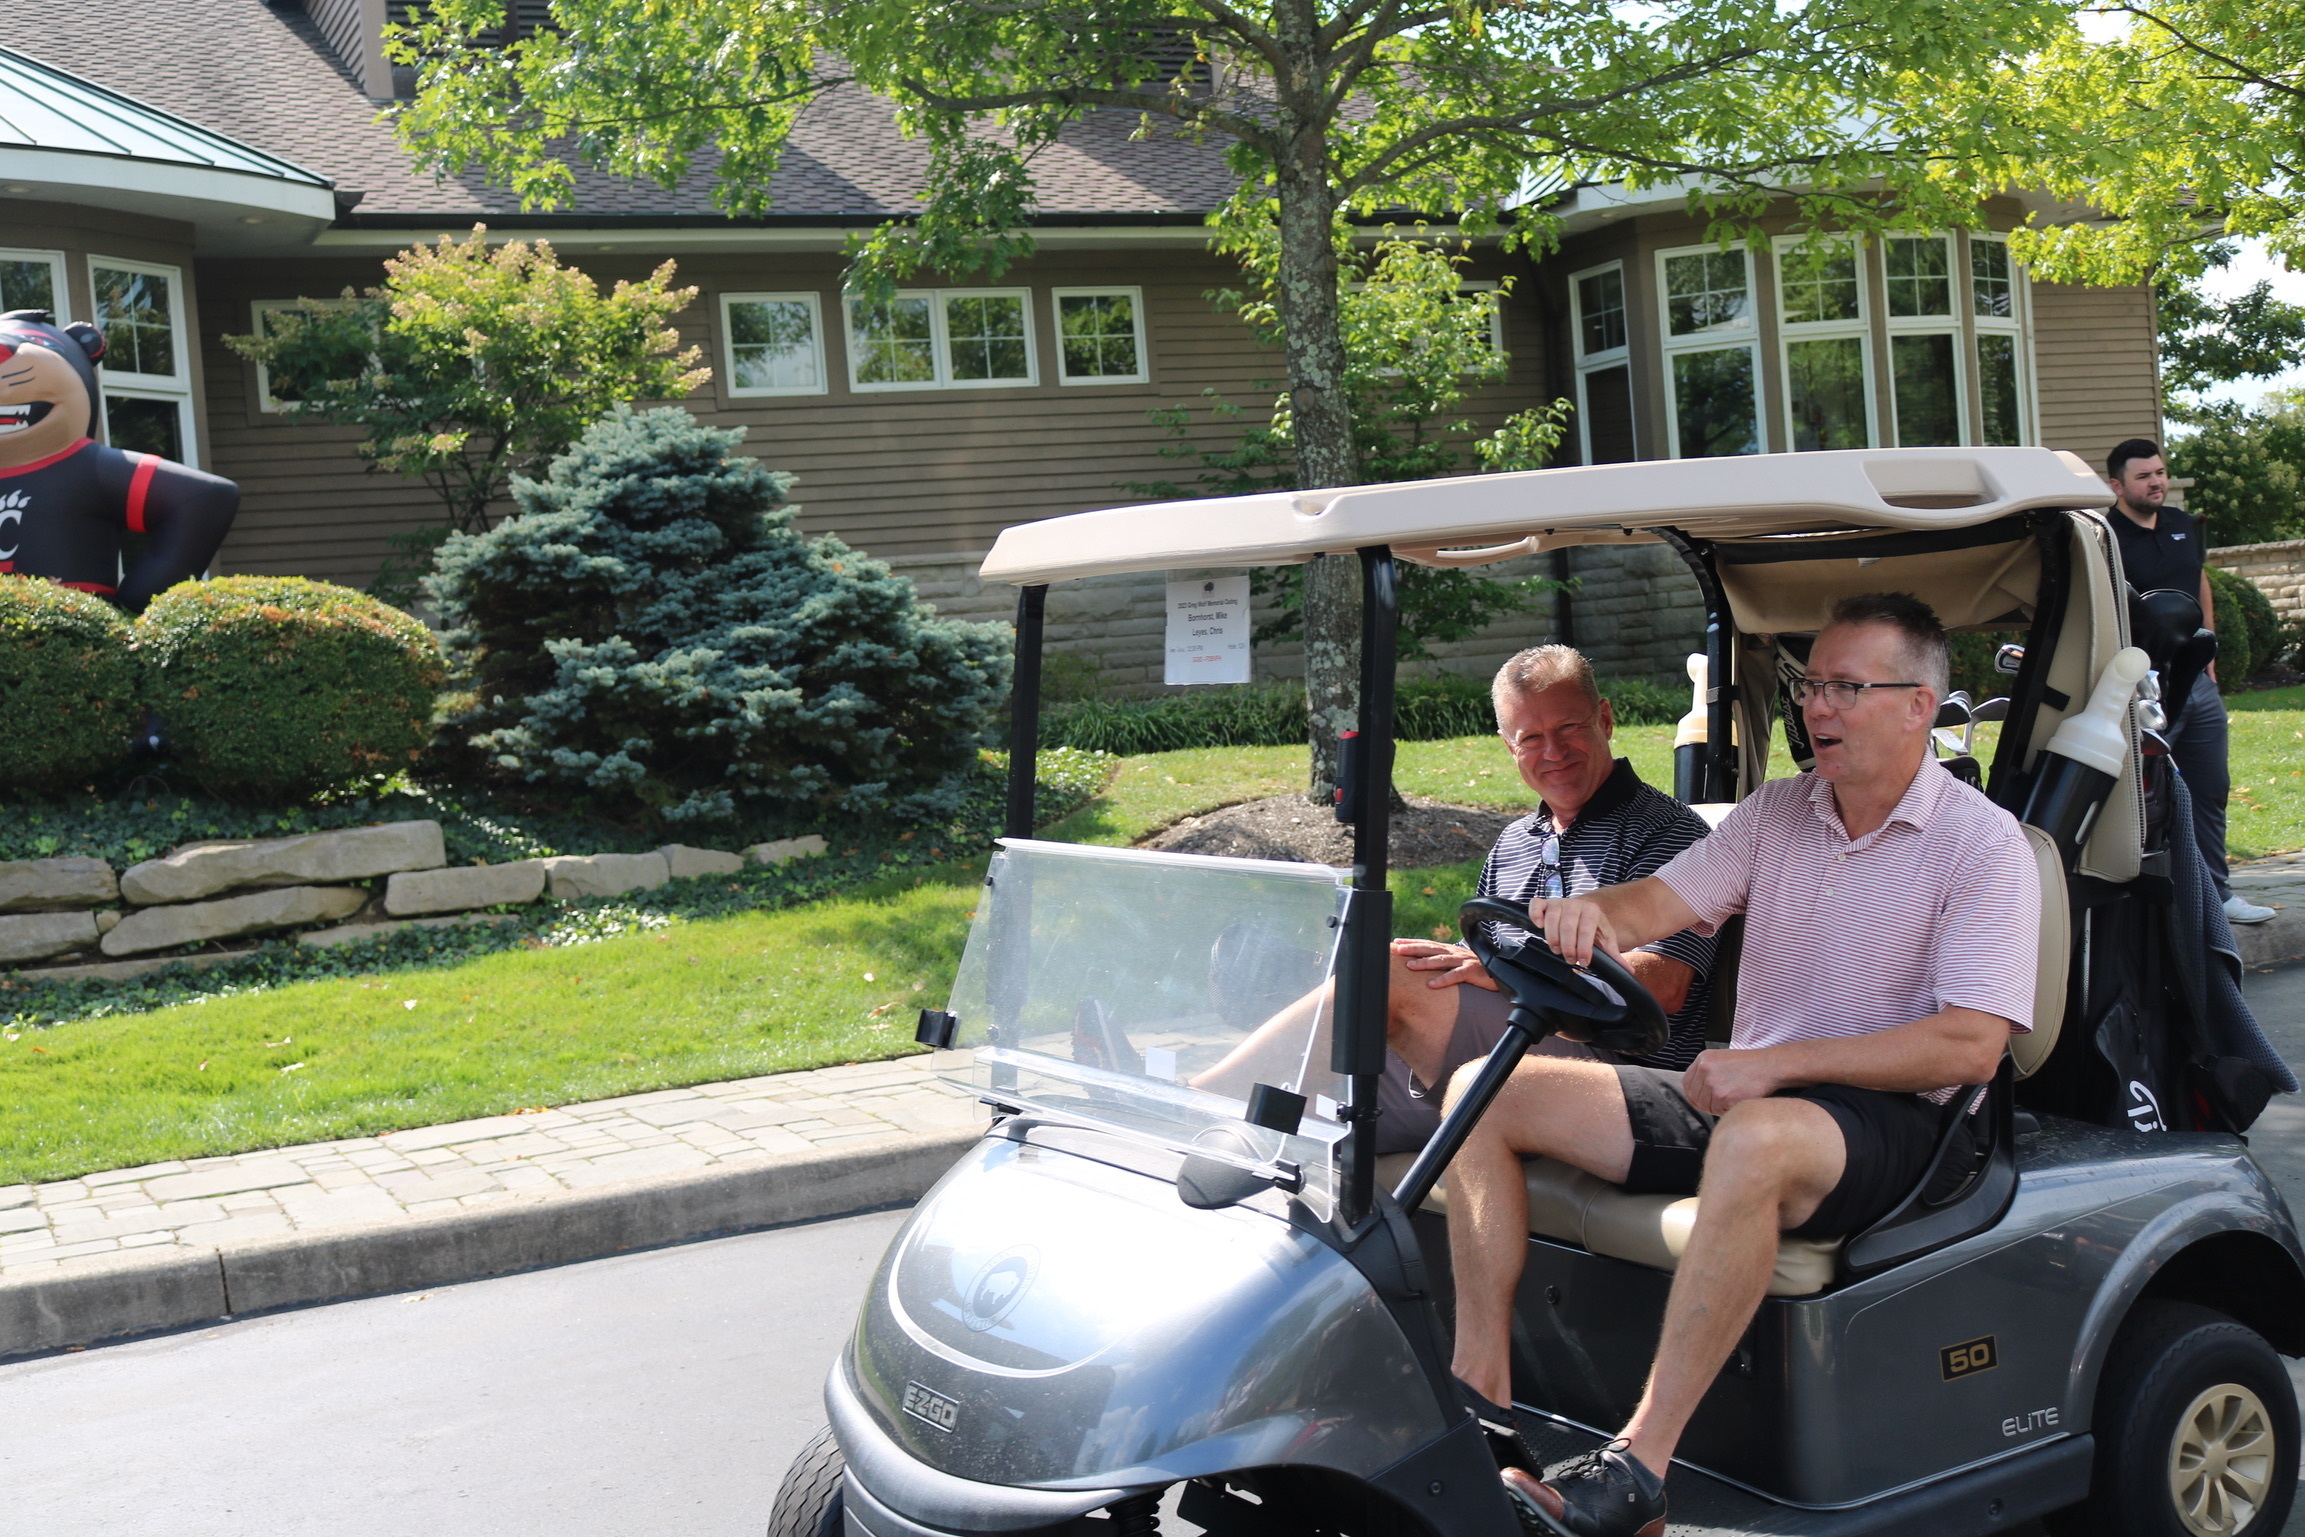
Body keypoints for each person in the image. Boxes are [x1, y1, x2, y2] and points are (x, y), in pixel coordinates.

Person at [1445, 594, 2037, 1537]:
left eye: (1847, 688)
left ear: (1919, 705)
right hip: (1757, 1101)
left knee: (1755, 1134)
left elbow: (1970, 1043)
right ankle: (1481, 1400)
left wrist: (1769, 1064)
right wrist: (1594, 914)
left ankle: (1639, 1469)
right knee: (1482, 1090)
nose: (1818, 707)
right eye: (1812, 685)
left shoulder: (1981, 842)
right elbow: (1659, 902)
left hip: (1902, 1123)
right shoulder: (1777, 814)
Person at [1192, 645, 1718, 1145]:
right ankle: (1205, 1136)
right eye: (1531, 738)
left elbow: (1662, 985)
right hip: (1513, 1044)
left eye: (1568, 728)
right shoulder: (1516, 842)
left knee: (1387, 978)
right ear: (1509, 746)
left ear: (1604, 719)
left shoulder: (1668, 833)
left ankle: (1198, 1102)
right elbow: (1476, 962)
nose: (1553, 752)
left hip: (1619, 1071)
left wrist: (1502, 973)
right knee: (1320, 1082)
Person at [2100, 439, 2273, 925]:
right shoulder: (2104, 537)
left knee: (2210, 787)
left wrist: (2208, 646)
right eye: (2143, 476)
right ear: (2117, 486)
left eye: (2159, 472)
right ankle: (2141, 908)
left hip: (2195, 680)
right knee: (2139, 796)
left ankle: (2218, 896)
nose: (2156, 482)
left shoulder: (2180, 524)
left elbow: (2199, 582)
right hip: (2143, 688)